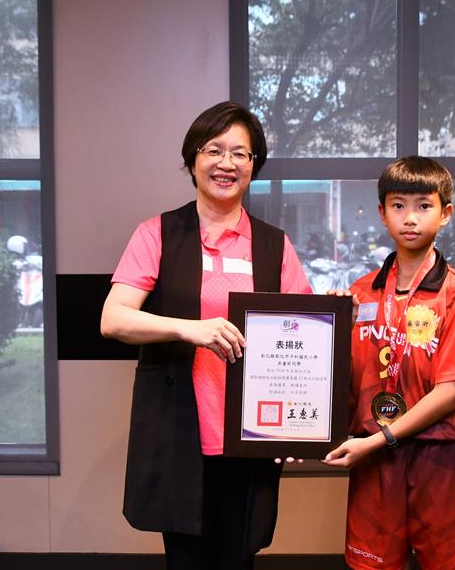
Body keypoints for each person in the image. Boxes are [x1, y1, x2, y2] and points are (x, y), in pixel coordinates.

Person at [100, 101, 312, 570]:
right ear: (192, 159)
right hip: (180, 430)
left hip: (250, 434)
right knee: (186, 561)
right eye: (214, 150)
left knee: (238, 558)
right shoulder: (157, 233)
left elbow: (302, 334)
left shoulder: (273, 244)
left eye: (240, 153)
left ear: (253, 165)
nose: (226, 163)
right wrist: (188, 328)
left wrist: (300, 429)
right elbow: (113, 319)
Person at [323, 156, 455, 570]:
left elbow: (449, 393)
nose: (410, 218)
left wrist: (378, 440)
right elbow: (342, 380)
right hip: (376, 461)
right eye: (398, 206)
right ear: (382, 213)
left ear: (446, 213)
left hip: (439, 458)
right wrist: (334, 329)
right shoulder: (360, 294)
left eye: (423, 206)